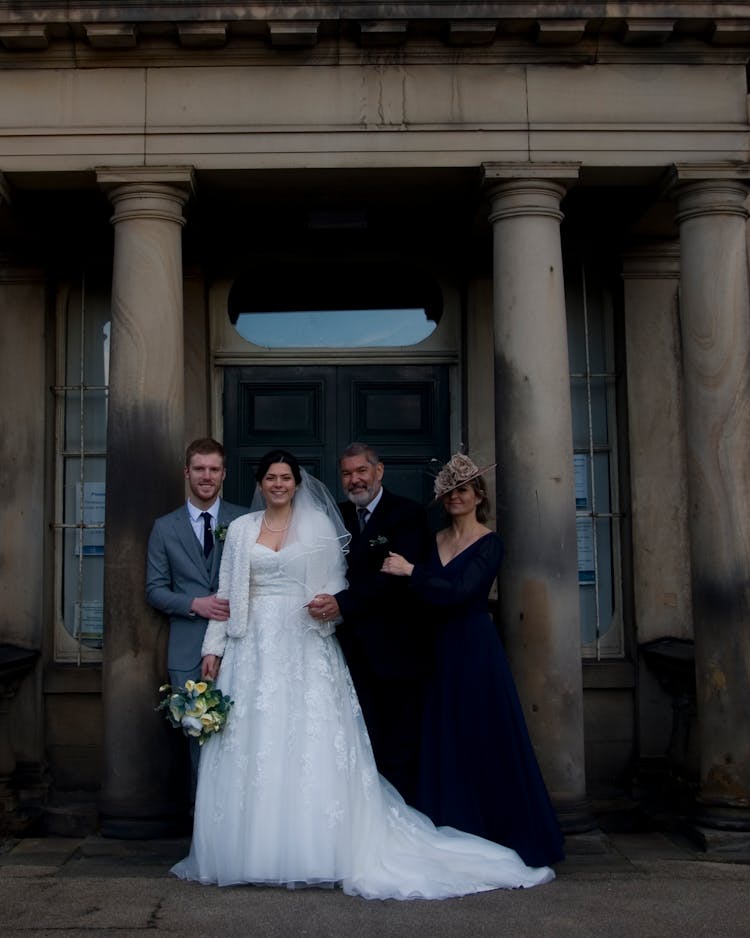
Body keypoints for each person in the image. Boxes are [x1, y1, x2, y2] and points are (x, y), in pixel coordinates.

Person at [171, 449, 555, 898]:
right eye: (270, 478)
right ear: (259, 483)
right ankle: (249, 850)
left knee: (306, 744)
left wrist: (330, 610)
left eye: (286, 477)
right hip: (250, 648)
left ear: (297, 483)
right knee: (255, 743)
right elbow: (229, 590)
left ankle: (313, 849)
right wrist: (213, 647)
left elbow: (337, 582)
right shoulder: (239, 531)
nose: (278, 484)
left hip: (304, 642)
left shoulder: (318, 526)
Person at [381, 452, 565, 869]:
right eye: (447, 492)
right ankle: (448, 823)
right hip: (436, 645)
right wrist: (422, 583)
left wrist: (413, 573)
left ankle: (494, 828)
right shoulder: (434, 541)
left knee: (482, 733)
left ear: (479, 495)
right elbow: (427, 597)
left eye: (462, 490)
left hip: (474, 647)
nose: (454, 498)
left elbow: (461, 590)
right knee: (442, 734)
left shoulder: (490, 542)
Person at [307, 442, 432, 805]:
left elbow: (395, 579)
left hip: (396, 650)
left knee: (399, 741)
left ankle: (405, 816)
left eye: (361, 471)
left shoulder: (407, 515)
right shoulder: (335, 517)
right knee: (359, 739)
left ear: (379, 471)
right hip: (348, 650)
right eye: (347, 473)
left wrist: (342, 602)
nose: (354, 480)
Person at [146, 437, 247, 799]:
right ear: (187, 472)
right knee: (197, 738)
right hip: (187, 649)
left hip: (240, 645)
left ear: (224, 474)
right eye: (200, 469)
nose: (207, 476)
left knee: (241, 737)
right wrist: (195, 604)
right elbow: (154, 590)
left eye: (214, 469)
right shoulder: (164, 527)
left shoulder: (245, 521)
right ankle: (200, 830)